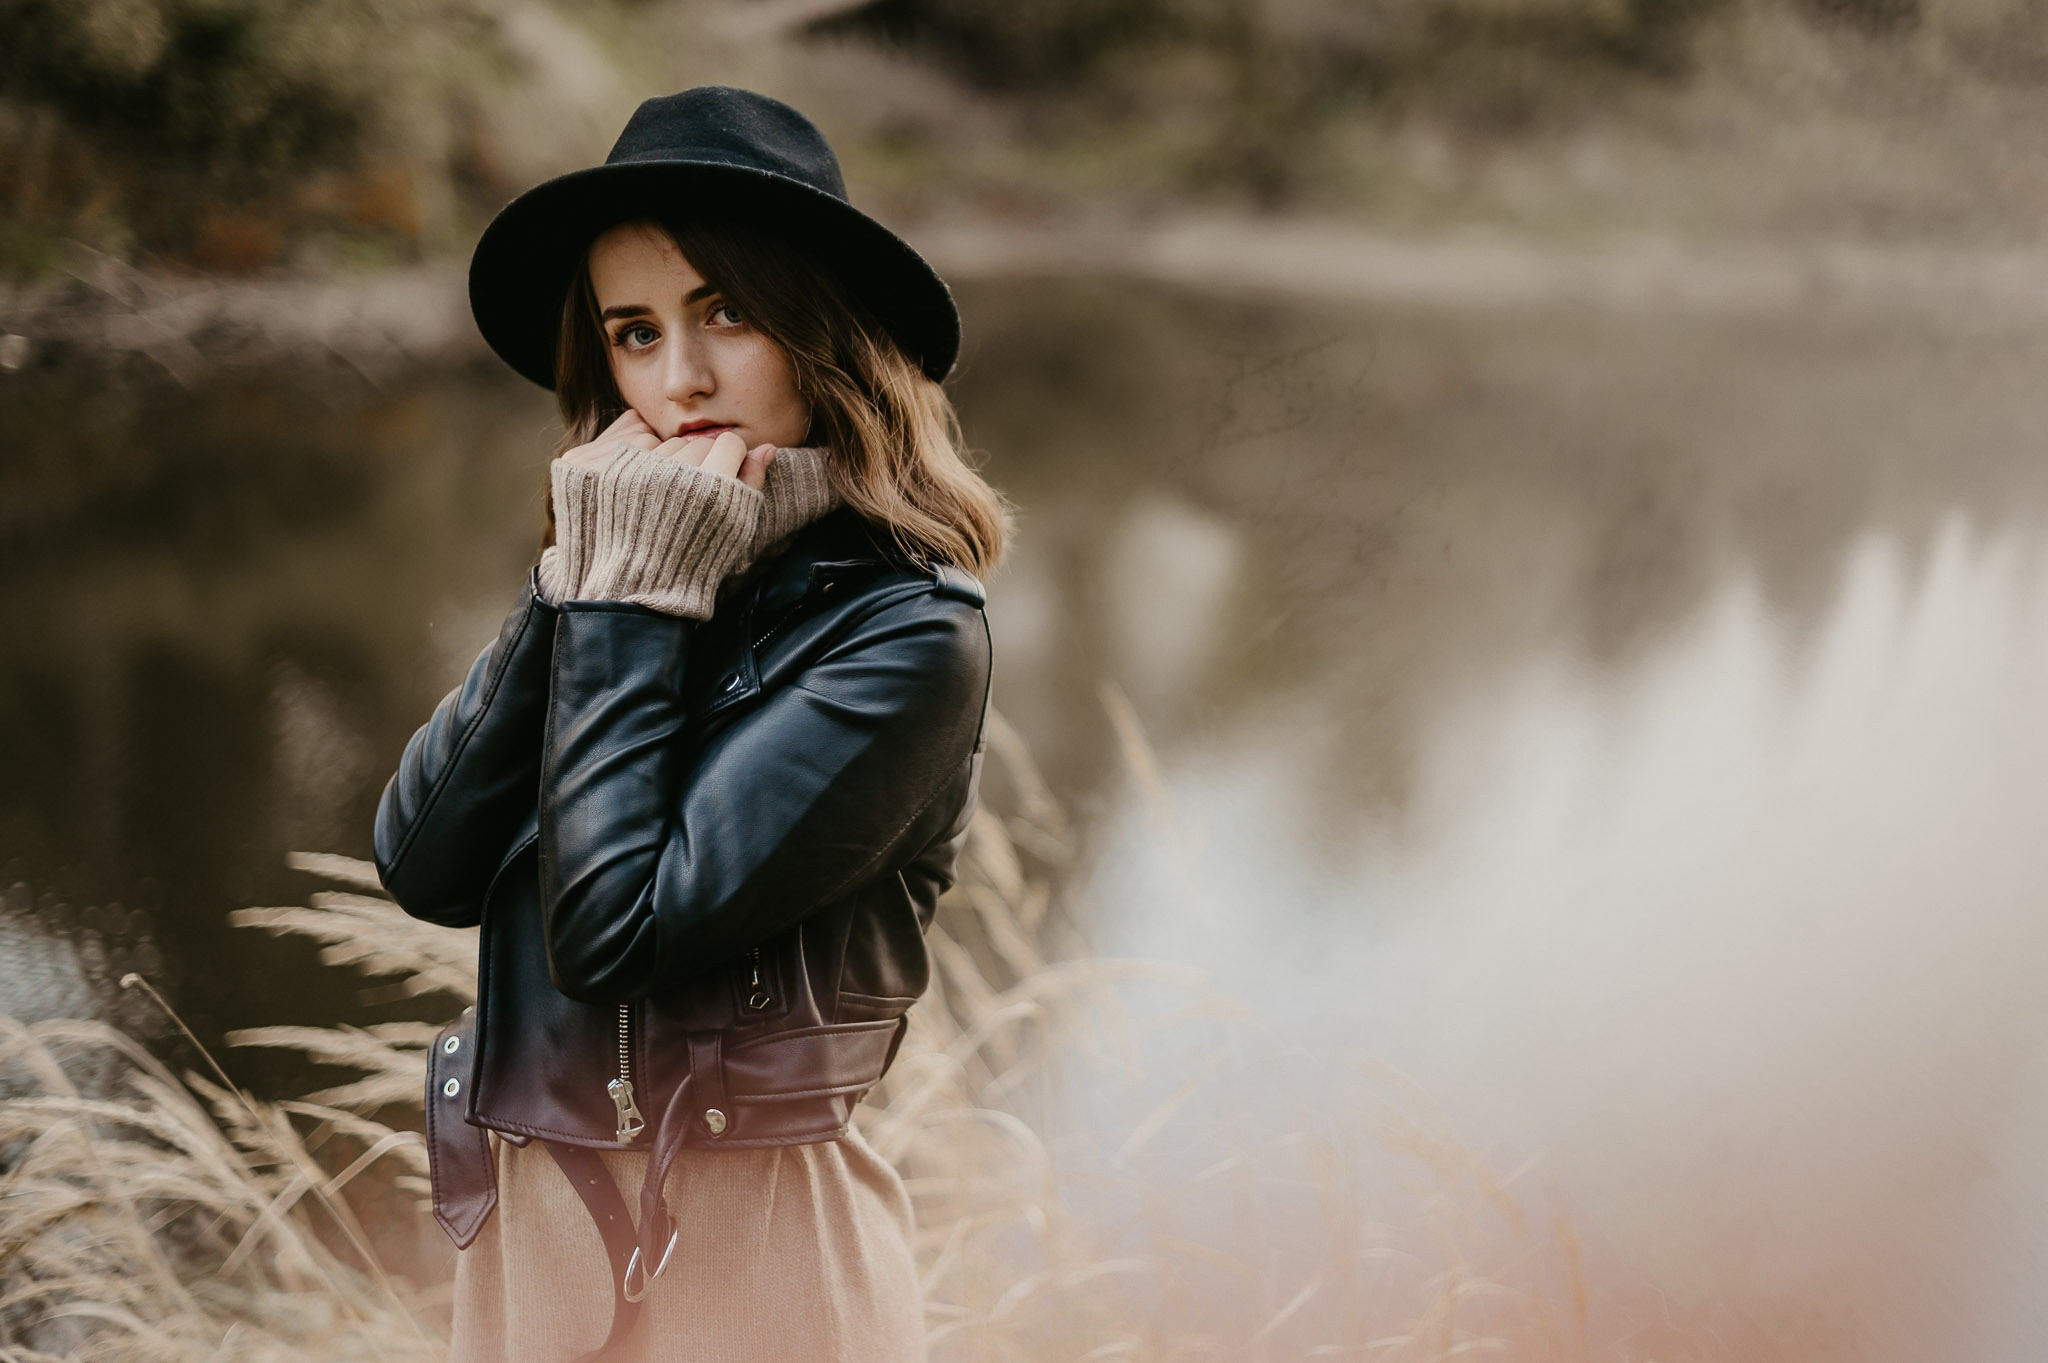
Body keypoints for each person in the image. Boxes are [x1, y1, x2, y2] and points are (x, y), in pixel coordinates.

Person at [371, 85, 1008, 1362]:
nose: (683, 378)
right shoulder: (627, 570)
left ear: (824, 332)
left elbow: (612, 931)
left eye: (727, 310)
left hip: (748, 1241)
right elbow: (422, 860)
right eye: (634, 331)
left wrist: (627, 605)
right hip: (531, 1225)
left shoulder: (904, 633)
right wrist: (574, 587)